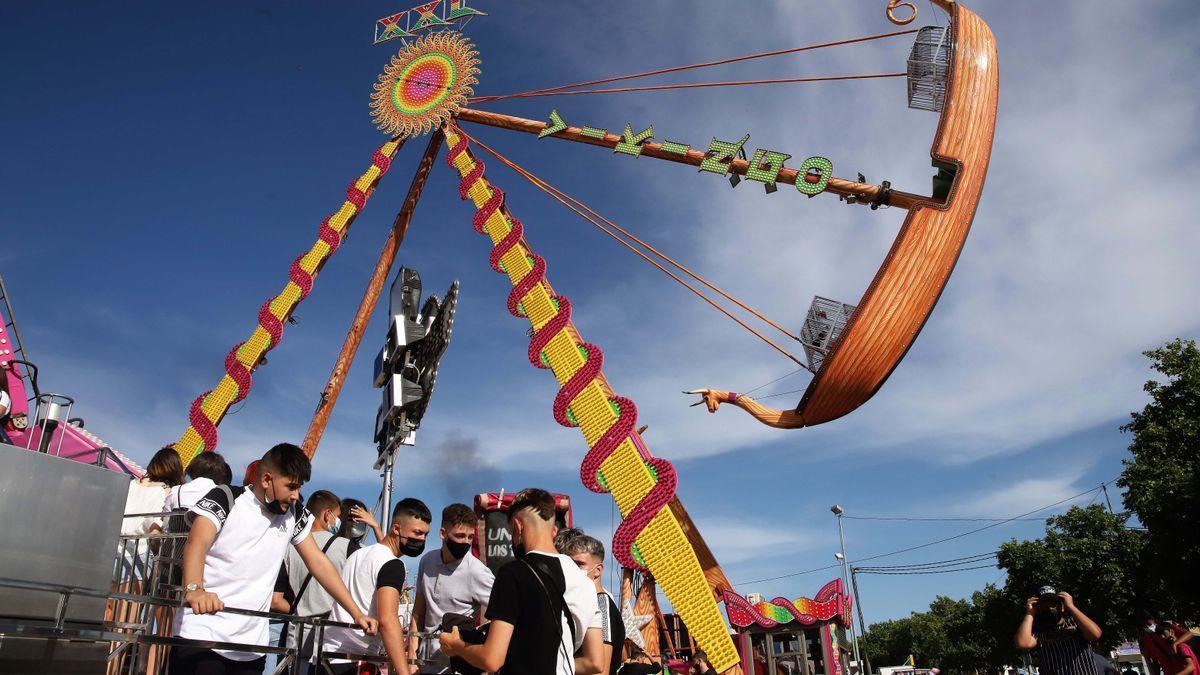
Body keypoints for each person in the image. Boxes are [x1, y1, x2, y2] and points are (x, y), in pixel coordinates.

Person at [171, 443, 377, 674]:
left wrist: (356, 612)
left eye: (299, 487)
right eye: (290, 486)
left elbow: (318, 563)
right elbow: (196, 543)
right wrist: (194, 589)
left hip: (251, 647)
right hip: (203, 634)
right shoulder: (227, 497)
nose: (295, 495)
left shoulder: (295, 514)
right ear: (267, 480)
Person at [439, 487, 603, 675]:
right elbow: (595, 662)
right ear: (553, 530)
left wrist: (457, 646)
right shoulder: (585, 582)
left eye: (510, 532)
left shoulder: (513, 573)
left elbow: (491, 659)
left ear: (518, 526)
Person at [321, 497, 432, 675]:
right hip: (356, 660)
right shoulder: (392, 564)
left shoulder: (359, 554)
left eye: (425, 535)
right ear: (396, 528)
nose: (421, 539)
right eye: (417, 533)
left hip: (328, 654)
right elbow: (388, 620)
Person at [410, 502, 495, 673]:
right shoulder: (427, 561)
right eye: (460, 536)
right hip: (426, 665)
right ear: (443, 533)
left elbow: (507, 613)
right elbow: (419, 611)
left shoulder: (477, 572)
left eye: (470, 537)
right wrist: (412, 657)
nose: (465, 542)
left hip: (458, 666)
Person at [276, 490, 348, 672]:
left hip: (297, 637)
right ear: (327, 514)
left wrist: (298, 611)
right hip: (332, 640)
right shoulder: (347, 547)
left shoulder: (288, 546)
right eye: (338, 516)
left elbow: (275, 600)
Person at [556, 528, 624, 675]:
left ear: (598, 570)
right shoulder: (587, 600)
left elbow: (602, 669)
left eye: (579, 564)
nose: (574, 570)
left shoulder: (601, 603)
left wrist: (553, 663)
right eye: (570, 564)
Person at [1014, 585, 1102, 675]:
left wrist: (1071, 607)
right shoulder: (1038, 631)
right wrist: (1030, 613)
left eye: (1053, 603)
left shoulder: (1077, 622)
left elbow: (1095, 634)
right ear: (1038, 608)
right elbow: (1023, 643)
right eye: (1044, 605)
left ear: (1062, 606)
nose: (1050, 608)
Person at [165, 451, 233, 515]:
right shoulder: (222, 494)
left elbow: (166, 524)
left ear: (193, 469)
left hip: (177, 527)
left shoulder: (175, 491)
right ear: (220, 472)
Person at [1137, 610, 1198, 675]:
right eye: (1143, 625)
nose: (1146, 626)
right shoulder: (1146, 639)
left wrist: (1175, 643)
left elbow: (1190, 634)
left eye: (1147, 623)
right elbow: (1154, 661)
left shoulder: (1167, 628)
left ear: (1152, 619)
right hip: (1168, 671)